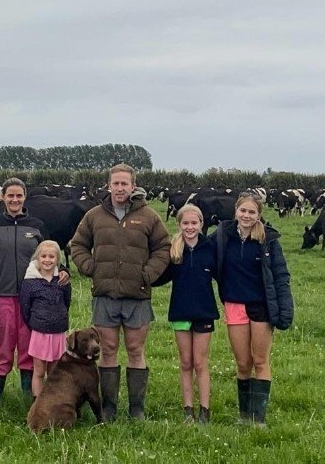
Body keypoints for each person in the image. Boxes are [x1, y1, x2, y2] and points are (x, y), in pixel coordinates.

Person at [70, 163, 170, 420]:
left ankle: (136, 408)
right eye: (116, 183)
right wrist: (90, 267)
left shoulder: (149, 216)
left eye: (125, 183)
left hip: (137, 294)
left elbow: (163, 248)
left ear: (133, 186)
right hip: (105, 294)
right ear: (109, 185)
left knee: (136, 350)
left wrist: (147, 274)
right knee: (108, 349)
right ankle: (109, 407)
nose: (120, 188)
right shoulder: (94, 215)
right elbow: (78, 245)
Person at [210, 193, 293, 426]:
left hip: (261, 307)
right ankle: (244, 416)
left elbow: (280, 275)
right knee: (243, 363)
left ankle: (259, 418)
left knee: (260, 360)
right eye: (242, 211)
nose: (246, 215)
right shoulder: (222, 237)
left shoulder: (268, 240)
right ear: (235, 211)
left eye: (251, 212)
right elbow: (206, 257)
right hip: (234, 304)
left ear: (259, 215)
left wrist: (285, 309)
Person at [0, 178, 68, 406]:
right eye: (10, 195)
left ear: (24, 197)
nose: (14, 200)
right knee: (2, 347)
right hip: (1, 295)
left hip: (34, 298)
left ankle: (28, 401)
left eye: (19, 196)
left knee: (28, 348)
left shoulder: (37, 225)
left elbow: (50, 253)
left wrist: (63, 270)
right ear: (3, 197)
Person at [152, 203, 218, 424]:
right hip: (180, 312)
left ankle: (205, 410)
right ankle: (188, 409)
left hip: (204, 312)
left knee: (200, 362)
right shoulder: (173, 250)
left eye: (194, 223)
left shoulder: (211, 248)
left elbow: (225, 276)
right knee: (185, 362)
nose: (190, 227)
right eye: (185, 223)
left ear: (201, 224)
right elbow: (158, 276)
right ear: (179, 224)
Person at [19, 240, 73, 399]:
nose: (47, 260)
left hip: (58, 333)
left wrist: (59, 317)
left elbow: (67, 302)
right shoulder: (30, 282)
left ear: (57, 259)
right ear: (37, 258)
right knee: (39, 371)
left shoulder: (62, 281)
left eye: (51, 257)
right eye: (43, 256)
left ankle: (53, 401)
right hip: (39, 333)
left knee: (55, 371)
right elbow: (25, 307)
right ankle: (38, 402)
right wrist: (37, 322)